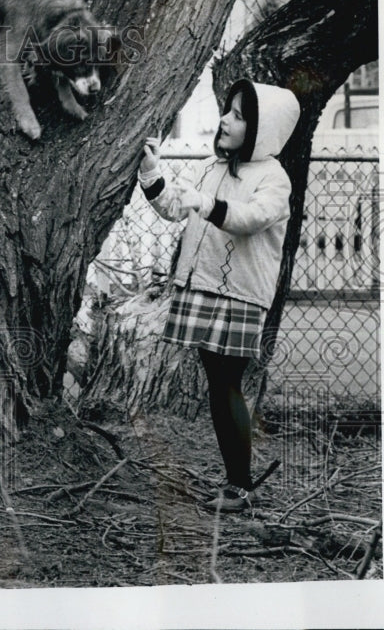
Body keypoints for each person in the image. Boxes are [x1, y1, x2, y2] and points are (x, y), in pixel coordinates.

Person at [138, 79, 299, 512]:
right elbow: (175, 207)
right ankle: (236, 480)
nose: (225, 120)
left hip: (240, 296)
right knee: (217, 383)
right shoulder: (212, 168)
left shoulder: (274, 178)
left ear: (263, 129)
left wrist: (206, 204)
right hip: (205, 284)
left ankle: (240, 487)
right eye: (227, 111)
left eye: (239, 115)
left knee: (226, 384)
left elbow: (251, 218)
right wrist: (152, 171)